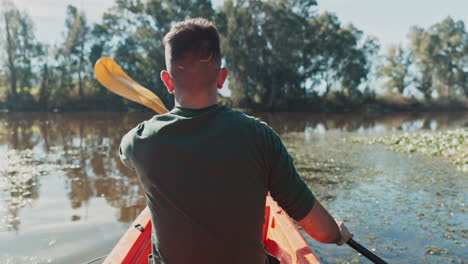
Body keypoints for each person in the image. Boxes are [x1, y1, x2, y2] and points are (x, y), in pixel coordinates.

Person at [119, 17, 353, 264]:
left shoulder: (141, 140)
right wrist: (336, 231)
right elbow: (322, 232)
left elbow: (124, 155)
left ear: (167, 81)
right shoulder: (260, 136)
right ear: (222, 78)